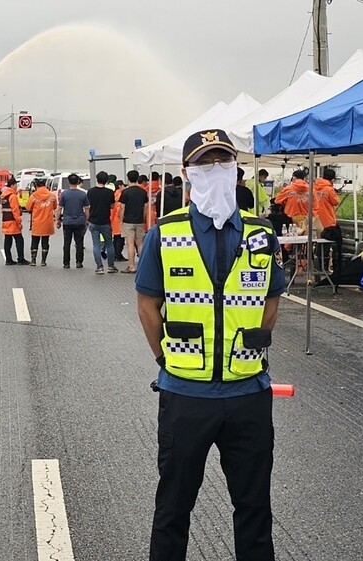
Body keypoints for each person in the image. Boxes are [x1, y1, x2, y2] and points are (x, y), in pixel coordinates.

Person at [135, 130, 284, 561]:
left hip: (248, 392)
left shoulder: (261, 232)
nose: (215, 171)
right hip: (186, 394)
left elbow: (271, 300)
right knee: (174, 507)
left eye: (223, 163)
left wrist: (254, 342)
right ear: (187, 174)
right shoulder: (165, 233)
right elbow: (147, 305)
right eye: (205, 164)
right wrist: (165, 359)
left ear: (236, 170)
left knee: (254, 506)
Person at [86, 171, 117, 273]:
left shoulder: (90, 191)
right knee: (109, 244)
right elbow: (112, 206)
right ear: (106, 180)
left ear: (97, 179)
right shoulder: (109, 192)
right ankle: (111, 266)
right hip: (105, 221)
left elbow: (88, 205)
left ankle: (99, 267)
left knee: (96, 245)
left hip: (93, 221)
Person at [314, 168, 344, 278]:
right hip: (328, 221)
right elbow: (336, 202)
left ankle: (318, 267)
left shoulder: (315, 187)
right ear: (332, 179)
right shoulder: (329, 189)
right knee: (330, 246)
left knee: (318, 246)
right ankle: (328, 268)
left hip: (316, 220)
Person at [119, 170, 150, 273]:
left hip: (128, 221)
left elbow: (122, 207)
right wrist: (143, 217)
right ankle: (143, 266)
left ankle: (132, 266)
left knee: (130, 244)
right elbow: (145, 206)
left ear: (128, 178)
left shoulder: (125, 192)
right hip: (139, 220)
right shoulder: (143, 191)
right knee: (140, 244)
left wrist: (121, 219)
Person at [57, 173, 89, 269]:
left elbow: (59, 208)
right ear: (78, 182)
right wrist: (87, 219)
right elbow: (87, 208)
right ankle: (79, 262)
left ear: (68, 182)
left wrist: (57, 220)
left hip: (67, 221)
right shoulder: (83, 194)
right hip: (79, 221)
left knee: (67, 242)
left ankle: (66, 263)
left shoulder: (64, 194)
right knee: (79, 242)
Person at [26, 175, 57, 266]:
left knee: (34, 241)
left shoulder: (34, 196)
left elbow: (28, 207)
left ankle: (33, 260)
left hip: (37, 222)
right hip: (47, 223)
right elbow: (55, 206)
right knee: (45, 241)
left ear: (36, 186)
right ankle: (43, 261)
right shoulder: (52, 195)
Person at [1, 177, 29, 265]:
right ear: (12, 185)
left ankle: (8, 259)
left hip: (6, 221)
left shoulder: (4, 196)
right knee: (19, 240)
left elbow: (2, 209)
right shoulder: (12, 196)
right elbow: (15, 211)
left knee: (8, 241)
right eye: (16, 184)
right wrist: (19, 222)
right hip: (13, 222)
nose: (17, 186)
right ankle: (21, 259)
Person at [111, 178, 126, 263]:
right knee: (120, 239)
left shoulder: (114, 194)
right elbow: (120, 208)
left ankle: (115, 255)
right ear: (120, 186)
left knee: (116, 239)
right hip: (119, 219)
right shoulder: (121, 195)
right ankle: (118, 255)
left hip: (113, 220)